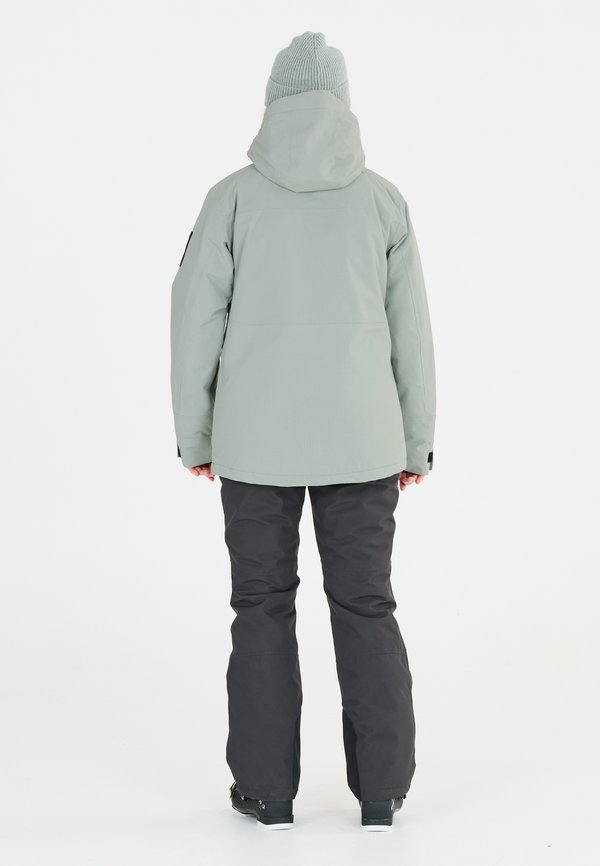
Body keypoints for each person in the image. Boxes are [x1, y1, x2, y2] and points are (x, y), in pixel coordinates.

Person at [170, 30, 436, 831]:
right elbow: (412, 332)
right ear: (343, 105)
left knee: (260, 606)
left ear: (272, 105)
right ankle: (382, 793)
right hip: (363, 439)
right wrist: (415, 440)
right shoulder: (383, 201)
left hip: (256, 442)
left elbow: (193, 323)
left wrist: (197, 436)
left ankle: (266, 792)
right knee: (366, 605)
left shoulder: (231, 199)